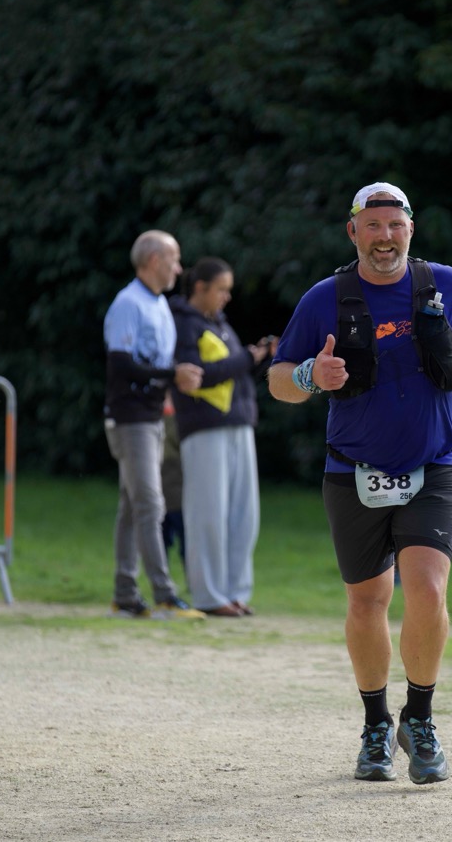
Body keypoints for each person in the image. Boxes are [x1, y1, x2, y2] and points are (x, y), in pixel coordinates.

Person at [268, 181, 452, 786]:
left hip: (436, 465)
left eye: (394, 225)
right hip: (353, 470)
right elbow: (278, 380)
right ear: (353, 232)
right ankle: (376, 724)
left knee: (426, 588)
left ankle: (419, 718)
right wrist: (311, 374)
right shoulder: (325, 299)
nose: (384, 237)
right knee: (367, 600)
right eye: (372, 226)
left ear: (411, 230)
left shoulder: (448, 286)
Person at [102, 229, 206, 620]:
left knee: (133, 507)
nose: (179, 269)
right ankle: (164, 595)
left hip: (150, 417)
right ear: (153, 260)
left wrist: (176, 377)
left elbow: (154, 364)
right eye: (174, 259)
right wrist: (171, 375)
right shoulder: (129, 303)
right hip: (131, 419)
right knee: (150, 504)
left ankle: (125, 596)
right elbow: (121, 364)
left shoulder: (158, 303)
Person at [170, 256, 276, 618]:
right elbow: (197, 375)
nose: (227, 297)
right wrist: (247, 357)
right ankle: (209, 596)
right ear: (200, 288)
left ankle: (234, 592)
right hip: (203, 428)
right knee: (208, 514)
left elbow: (230, 372)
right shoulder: (184, 323)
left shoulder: (220, 324)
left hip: (238, 425)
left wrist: (258, 358)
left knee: (243, 515)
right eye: (221, 290)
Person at [160, 398, 187, 574]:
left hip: (168, 497)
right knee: (185, 542)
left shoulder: (160, 420)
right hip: (177, 498)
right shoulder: (177, 421)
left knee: (164, 542)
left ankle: (162, 580)